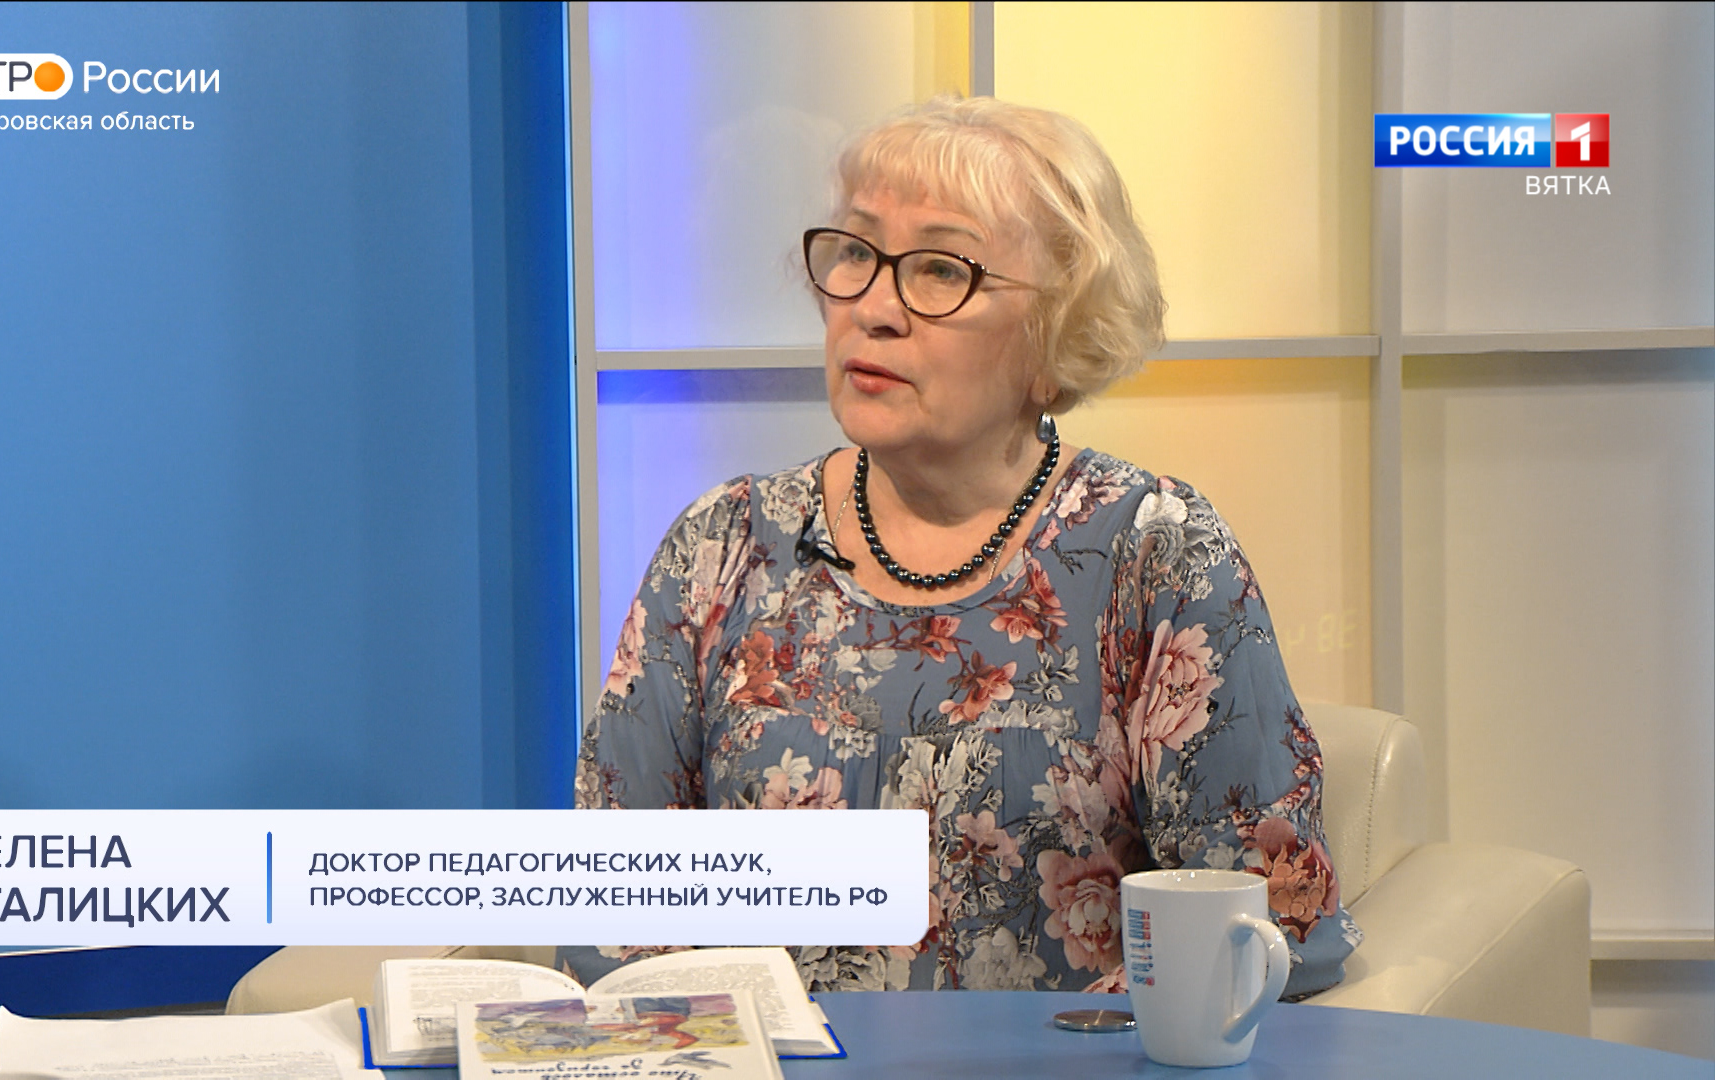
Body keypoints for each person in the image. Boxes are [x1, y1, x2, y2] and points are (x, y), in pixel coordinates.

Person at [570, 97, 1358, 997]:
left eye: (941, 269)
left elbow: (1267, 927)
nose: (873, 308)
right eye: (857, 252)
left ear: (1054, 336)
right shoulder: (723, 546)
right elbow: (613, 910)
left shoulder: (1157, 556)